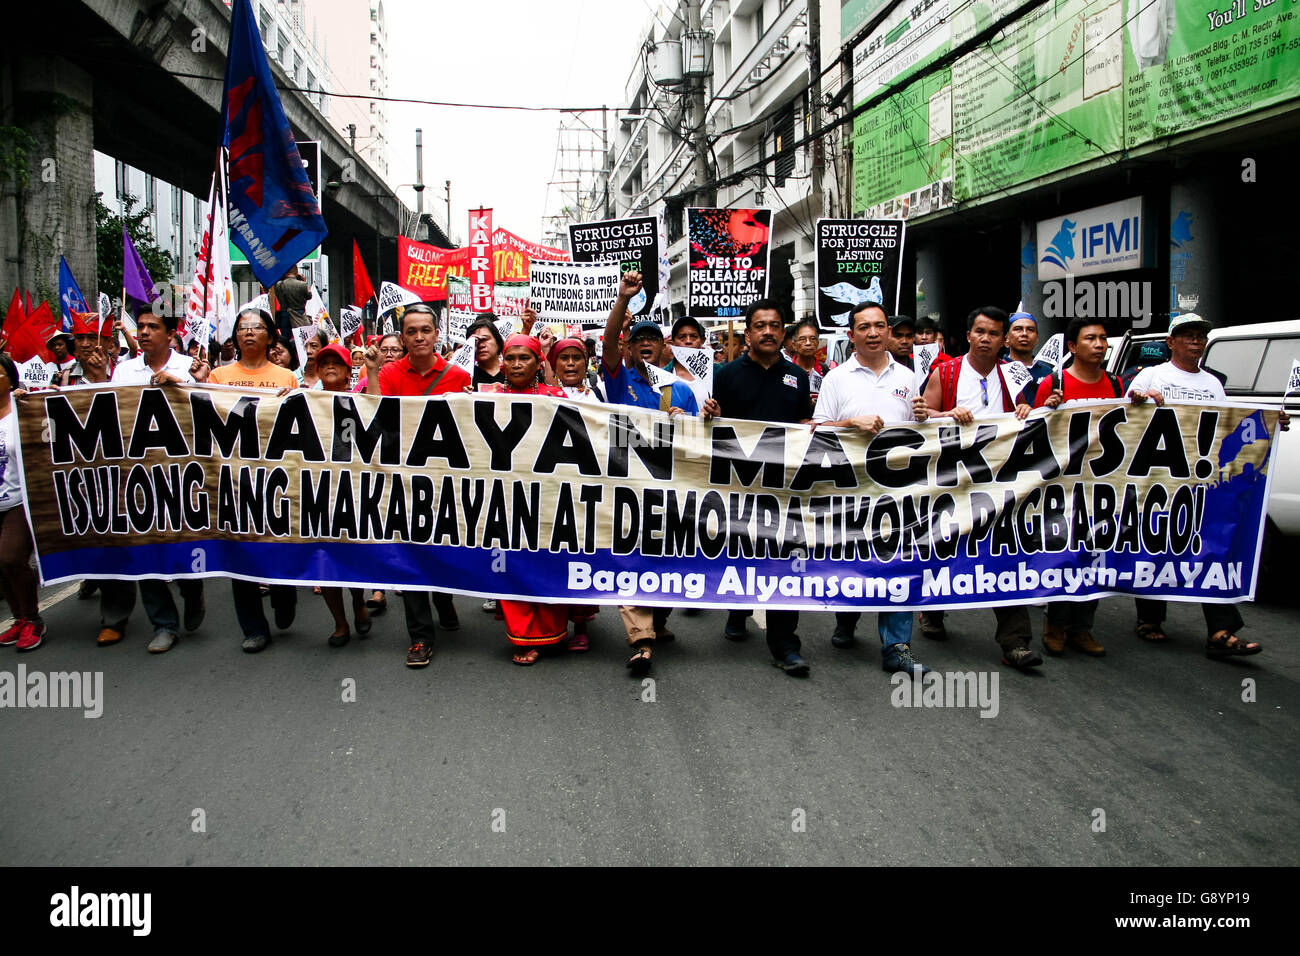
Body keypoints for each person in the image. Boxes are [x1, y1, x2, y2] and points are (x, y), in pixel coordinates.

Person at [1127, 312, 1289, 659]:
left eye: (1200, 335)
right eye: (1187, 335)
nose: (1195, 341)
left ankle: (1221, 629)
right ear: (1171, 342)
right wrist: (1140, 400)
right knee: (1158, 542)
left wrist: (1270, 420)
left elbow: (1229, 426)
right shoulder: (1152, 375)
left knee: (1210, 545)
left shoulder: (1213, 384)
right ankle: (1150, 618)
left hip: (1202, 479)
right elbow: (1126, 414)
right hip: (1159, 478)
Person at [813, 301, 931, 676]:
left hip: (898, 491)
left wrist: (926, 416)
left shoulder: (909, 377)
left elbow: (921, 431)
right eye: (864, 327)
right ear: (851, 336)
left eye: (880, 325)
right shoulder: (836, 378)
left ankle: (897, 645)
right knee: (853, 561)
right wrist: (850, 422)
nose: (874, 332)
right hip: (850, 490)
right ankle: (847, 618)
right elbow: (817, 429)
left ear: (889, 332)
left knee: (900, 561)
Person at [921, 306, 1042, 670]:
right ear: (969, 335)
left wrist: (1027, 410)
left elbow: (1033, 414)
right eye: (979, 332)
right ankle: (933, 611)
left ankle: (1016, 642)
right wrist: (947, 414)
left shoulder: (1016, 374)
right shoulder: (946, 372)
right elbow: (923, 418)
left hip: (1002, 483)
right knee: (944, 545)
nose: (986, 339)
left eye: (993, 333)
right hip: (952, 482)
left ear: (1003, 339)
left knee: (1005, 554)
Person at [703, 297, 813, 677]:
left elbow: (804, 424)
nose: (768, 331)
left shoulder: (798, 377)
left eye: (775, 325)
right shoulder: (726, 374)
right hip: (738, 486)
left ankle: (786, 644)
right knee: (741, 552)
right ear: (747, 332)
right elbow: (711, 426)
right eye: (760, 325)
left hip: (784, 490)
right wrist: (710, 416)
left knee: (785, 559)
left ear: (784, 333)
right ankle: (738, 607)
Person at [600, 272, 700, 673]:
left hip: (671, 490)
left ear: (664, 347)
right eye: (637, 339)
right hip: (628, 487)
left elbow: (698, 444)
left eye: (652, 339)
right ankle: (641, 639)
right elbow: (607, 344)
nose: (645, 343)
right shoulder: (618, 379)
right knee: (632, 560)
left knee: (671, 562)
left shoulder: (682, 389)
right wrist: (624, 300)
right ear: (628, 347)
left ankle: (657, 621)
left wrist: (689, 420)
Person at [364, 302, 471, 668]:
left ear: (436, 334)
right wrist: (373, 371)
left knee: (441, 549)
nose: (420, 337)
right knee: (409, 554)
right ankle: (420, 638)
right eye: (412, 332)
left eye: (426, 330)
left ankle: (443, 598)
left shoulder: (457, 377)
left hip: (445, 483)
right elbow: (376, 417)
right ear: (403, 337)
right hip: (402, 481)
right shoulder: (391, 374)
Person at [96, 305, 205, 653]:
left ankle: (192, 588)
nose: (142, 332)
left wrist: (187, 384)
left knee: (181, 545)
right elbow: (110, 414)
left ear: (170, 335)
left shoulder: (190, 368)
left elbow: (211, 409)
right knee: (145, 548)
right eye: (140, 326)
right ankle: (164, 624)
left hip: (183, 477)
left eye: (152, 327)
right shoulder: (124, 371)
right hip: (139, 476)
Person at [207, 308, 300, 653]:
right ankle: (253, 627)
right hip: (232, 477)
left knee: (279, 542)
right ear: (235, 336)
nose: (249, 333)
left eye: (256, 327)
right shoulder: (217, 376)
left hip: (275, 477)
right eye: (243, 327)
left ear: (270, 336)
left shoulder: (285, 377)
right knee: (239, 551)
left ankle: (285, 593)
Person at [1032, 318, 1126, 657]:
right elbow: (1030, 428)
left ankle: (1082, 628)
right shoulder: (1053, 382)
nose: (1099, 344)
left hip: (1102, 486)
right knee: (1064, 554)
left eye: (1102, 338)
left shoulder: (1116, 384)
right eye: (1091, 338)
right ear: (1073, 346)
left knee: (1096, 555)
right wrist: (1047, 407)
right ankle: (1055, 624)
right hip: (1063, 487)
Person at [481, 333, 573, 664]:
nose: (517, 364)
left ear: (539, 363)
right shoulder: (486, 397)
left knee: (547, 564)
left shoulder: (555, 396)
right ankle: (523, 636)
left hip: (548, 497)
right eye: (511, 358)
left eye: (525, 358)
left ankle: (553, 632)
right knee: (512, 564)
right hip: (505, 499)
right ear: (502, 363)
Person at [312, 343, 373, 646]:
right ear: (317, 371)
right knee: (325, 559)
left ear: (349, 371)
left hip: (353, 490)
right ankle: (339, 623)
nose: (330, 367)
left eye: (337, 362)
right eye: (325, 364)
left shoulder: (359, 401)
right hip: (317, 491)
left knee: (352, 556)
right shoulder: (302, 401)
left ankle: (358, 601)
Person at [0, 354, 45, 651]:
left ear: (10, 378)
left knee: (11, 558)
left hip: (18, 500)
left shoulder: (24, 410)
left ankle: (33, 619)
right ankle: (18, 620)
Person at [662, 315, 711, 409]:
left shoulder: (716, 372)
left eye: (693, 336)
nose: (688, 341)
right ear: (673, 342)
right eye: (682, 337)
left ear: (701, 341)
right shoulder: (663, 376)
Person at [1006, 311, 1054, 403]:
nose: (1024, 333)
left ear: (1037, 339)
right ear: (1006, 338)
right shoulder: (998, 369)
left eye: (1030, 329)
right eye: (1018, 329)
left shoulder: (1047, 372)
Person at [272, 265, 311, 344]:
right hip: (299, 313)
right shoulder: (302, 284)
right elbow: (309, 296)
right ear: (296, 272)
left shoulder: (279, 285)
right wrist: (304, 282)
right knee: (302, 338)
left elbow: (277, 294)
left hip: (284, 314)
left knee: (285, 339)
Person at [466, 315, 505, 388]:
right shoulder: (467, 376)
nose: (481, 345)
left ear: (498, 341)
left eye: (485, 339)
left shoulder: (512, 373)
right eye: (475, 341)